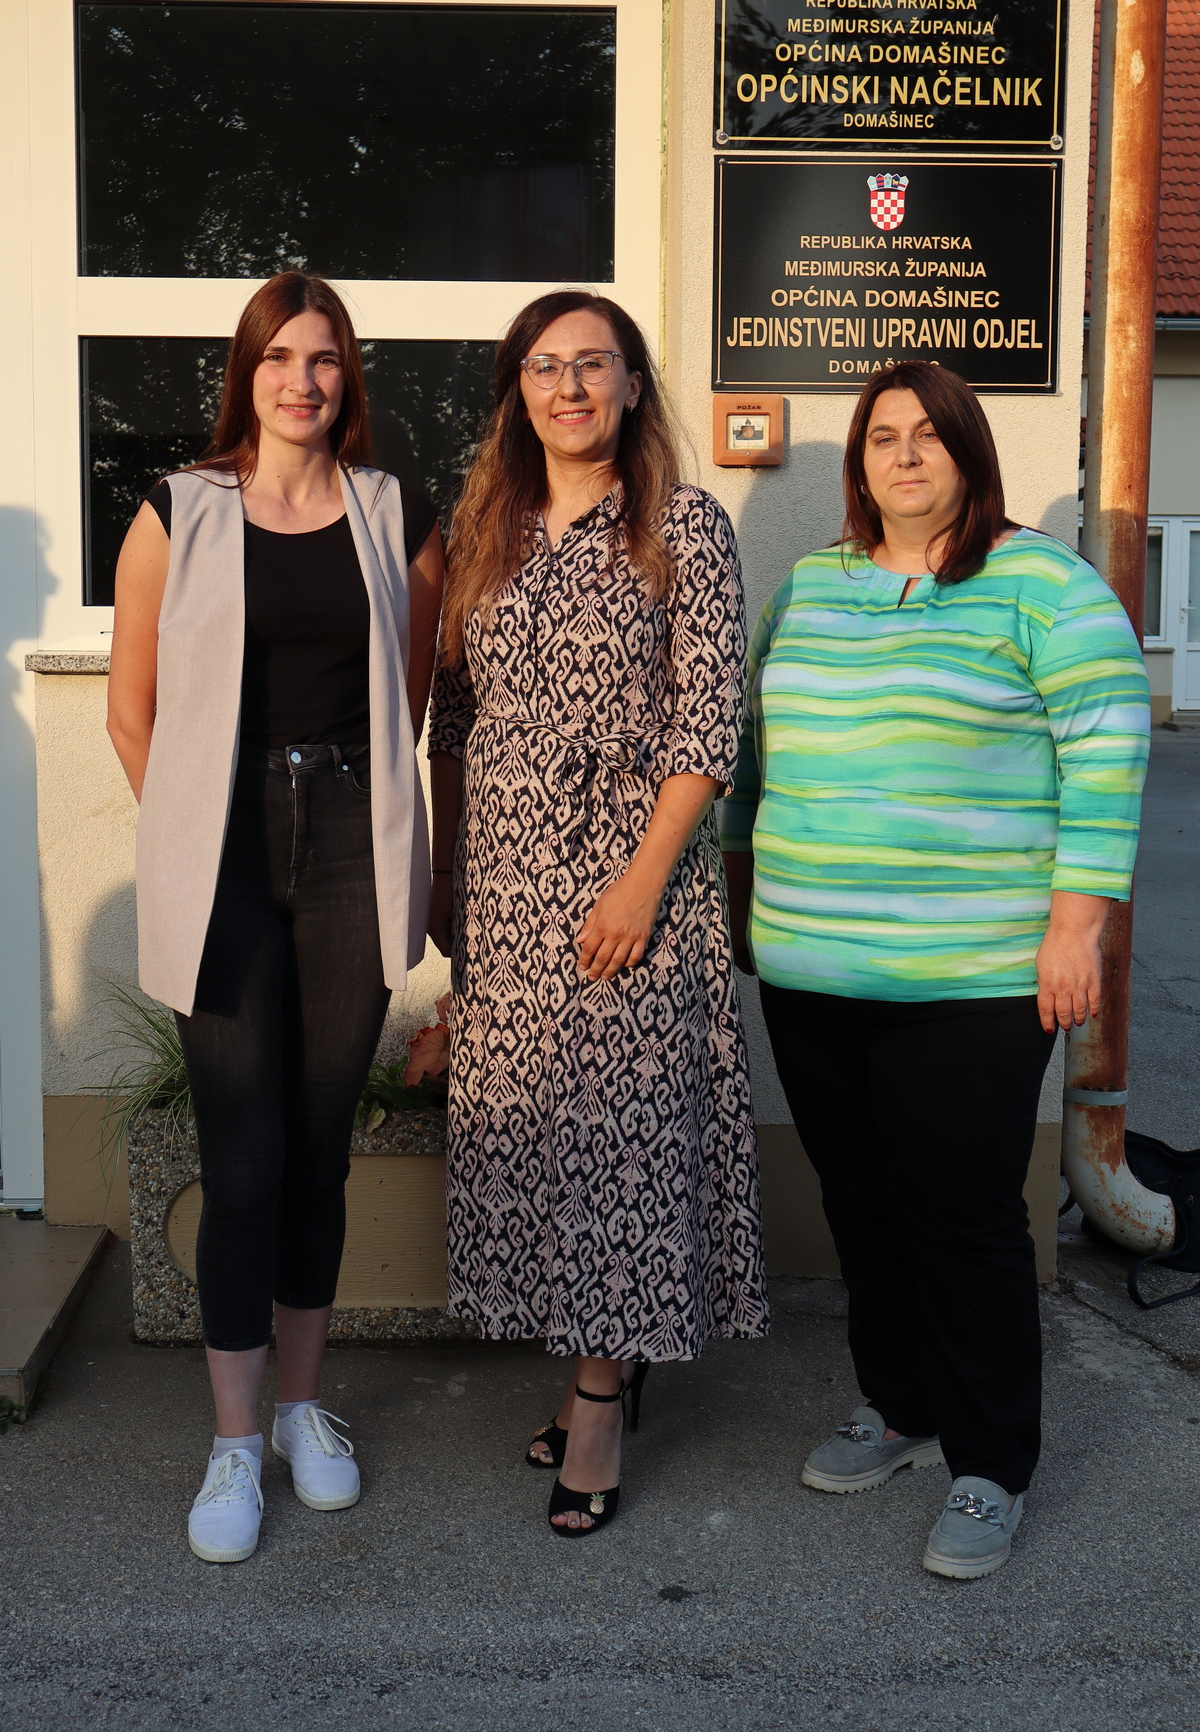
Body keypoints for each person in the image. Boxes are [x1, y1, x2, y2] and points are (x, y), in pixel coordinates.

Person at [720, 362, 1150, 1579]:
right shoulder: (813, 586)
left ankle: (990, 1462)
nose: (904, 455)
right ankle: (903, 1405)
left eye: (928, 435)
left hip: (975, 979)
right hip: (813, 967)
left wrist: (1076, 929)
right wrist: (744, 898)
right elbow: (752, 752)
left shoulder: (1046, 589)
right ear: (860, 463)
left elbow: (1108, 757)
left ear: (969, 451)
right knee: (863, 1201)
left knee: (962, 1216)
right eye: (882, 437)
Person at [107, 272, 443, 1563]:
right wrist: (189, 841)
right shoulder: (177, 510)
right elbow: (130, 709)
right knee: (242, 1159)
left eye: (325, 359)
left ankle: (304, 1409)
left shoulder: (392, 512)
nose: (303, 381)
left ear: (348, 377)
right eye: (279, 357)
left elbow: (406, 693)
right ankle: (235, 1440)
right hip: (226, 849)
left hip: (350, 839)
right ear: (244, 374)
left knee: (319, 1152)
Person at [427, 290, 770, 1537]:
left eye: (593, 363)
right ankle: (599, 1361)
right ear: (517, 392)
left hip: (635, 875)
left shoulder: (683, 524)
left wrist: (640, 879)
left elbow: (708, 721)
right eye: (544, 366)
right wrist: (447, 876)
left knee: (621, 1139)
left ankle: (600, 1399)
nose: (568, 386)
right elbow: (452, 718)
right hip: (505, 882)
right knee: (535, 1130)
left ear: (631, 384)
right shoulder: (483, 527)